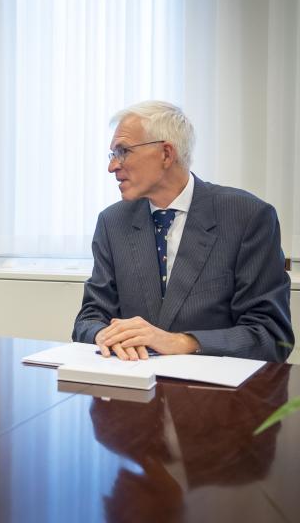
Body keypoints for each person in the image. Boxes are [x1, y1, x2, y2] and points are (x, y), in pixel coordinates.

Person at [73, 101, 293, 362]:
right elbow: (89, 319)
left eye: (123, 152)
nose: (113, 167)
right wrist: (102, 335)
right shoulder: (113, 222)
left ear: (166, 154)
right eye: (112, 155)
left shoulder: (247, 217)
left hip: (216, 394)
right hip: (133, 387)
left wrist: (180, 342)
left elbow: (270, 335)